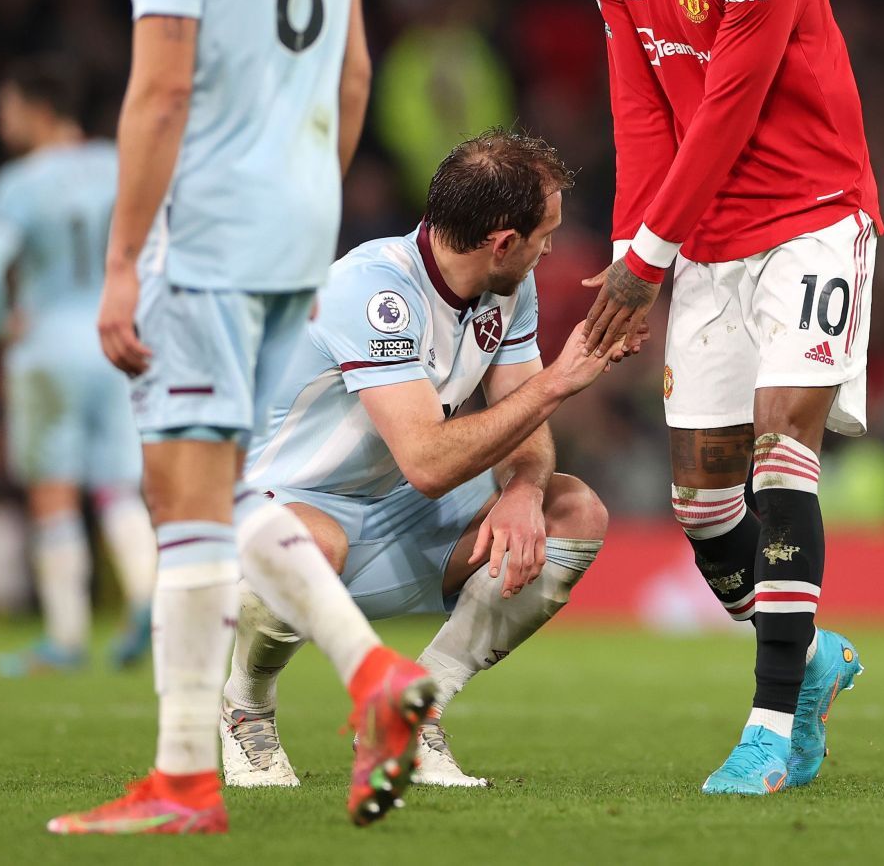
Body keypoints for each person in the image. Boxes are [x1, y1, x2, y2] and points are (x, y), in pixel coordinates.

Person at [49, 0, 423, 836]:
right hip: (297, 223)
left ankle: (185, 779)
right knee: (212, 486)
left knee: (188, 494)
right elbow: (356, 71)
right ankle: (370, 676)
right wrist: (311, 203)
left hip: (205, 224)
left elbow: (160, 86)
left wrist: (120, 261)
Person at [580, 0, 878, 796]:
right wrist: (631, 249)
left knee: (780, 443)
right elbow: (641, 110)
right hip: (700, 238)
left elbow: (723, 116)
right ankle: (813, 657)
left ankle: (766, 726)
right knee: (704, 503)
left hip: (810, 215)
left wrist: (642, 264)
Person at [220, 130, 621, 790]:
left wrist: (524, 486)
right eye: (544, 233)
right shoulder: (373, 294)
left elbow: (521, 424)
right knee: (308, 543)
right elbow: (429, 463)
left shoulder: (507, 289)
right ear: (502, 242)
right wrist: (557, 383)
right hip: (272, 522)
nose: (550, 246)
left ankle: (411, 711)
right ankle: (245, 708)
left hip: (391, 523)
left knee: (573, 510)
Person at [0, 57, 155, 677]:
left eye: (7, 106)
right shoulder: (118, 166)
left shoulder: (19, 184)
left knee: (53, 492)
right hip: (115, 342)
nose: (0, 121)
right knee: (118, 486)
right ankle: (149, 597)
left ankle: (65, 638)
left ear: (38, 109)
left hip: (46, 346)